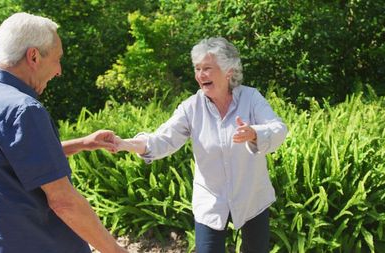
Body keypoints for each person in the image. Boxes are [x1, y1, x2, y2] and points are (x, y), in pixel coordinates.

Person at [0, 12, 128, 253]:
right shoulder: (22, 109)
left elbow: (12, 159)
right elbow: (63, 201)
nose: (59, 70)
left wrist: (82, 143)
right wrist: (115, 250)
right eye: (58, 59)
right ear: (34, 56)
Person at [115, 37, 288, 253]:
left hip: (252, 196)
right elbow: (162, 139)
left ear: (228, 71)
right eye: (197, 69)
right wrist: (125, 144)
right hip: (211, 201)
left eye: (207, 68)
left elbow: (279, 128)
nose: (200, 75)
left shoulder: (251, 98)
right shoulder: (191, 108)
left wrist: (255, 133)